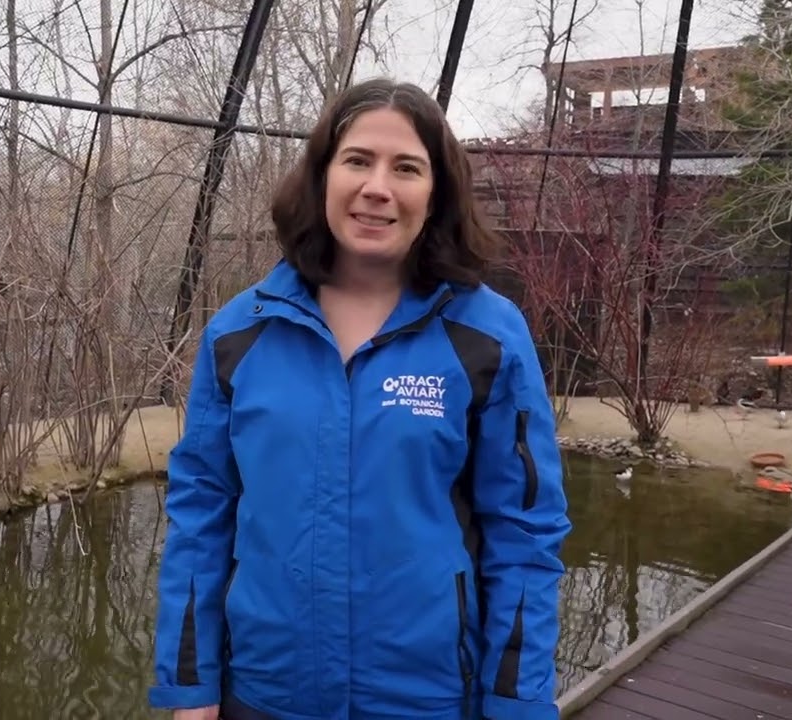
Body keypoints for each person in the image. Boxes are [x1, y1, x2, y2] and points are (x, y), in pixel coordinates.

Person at [147, 77, 571, 720]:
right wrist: (190, 685)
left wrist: (517, 702)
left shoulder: (487, 336)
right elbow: (201, 511)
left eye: (406, 167)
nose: (378, 187)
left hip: (425, 698)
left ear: (437, 194)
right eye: (357, 161)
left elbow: (526, 531)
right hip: (264, 694)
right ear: (322, 177)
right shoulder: (240, 333)